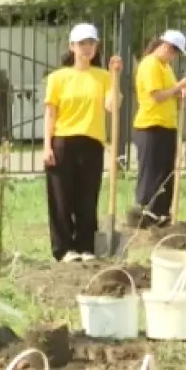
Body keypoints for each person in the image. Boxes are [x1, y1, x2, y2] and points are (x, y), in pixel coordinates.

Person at [42, 23, 122, 262]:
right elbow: (50, 113)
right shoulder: (58, 78)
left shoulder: (104, 77)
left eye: (91, 43)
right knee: (61, 197)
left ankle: (85, 246)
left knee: (87, 197)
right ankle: (64, 249)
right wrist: (47, 145)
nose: (87, 48)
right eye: (82, 43)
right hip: (63, 141)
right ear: (72, 46)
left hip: (92, 142)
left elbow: (112, 106)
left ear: (96, 47)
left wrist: (116, 76)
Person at [131, 29, 186, 226]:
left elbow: (168, 93)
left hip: (166, 125)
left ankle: (161, 214)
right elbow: (156, 96)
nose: (173, 56)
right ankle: (144, 214)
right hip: (151, 125)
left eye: (176, 53)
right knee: (152, 172)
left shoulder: (165, 67)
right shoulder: (150, 64)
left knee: (166, 172)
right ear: (165, 46)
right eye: (173, 51)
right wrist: (178, 87)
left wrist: (180, 93)